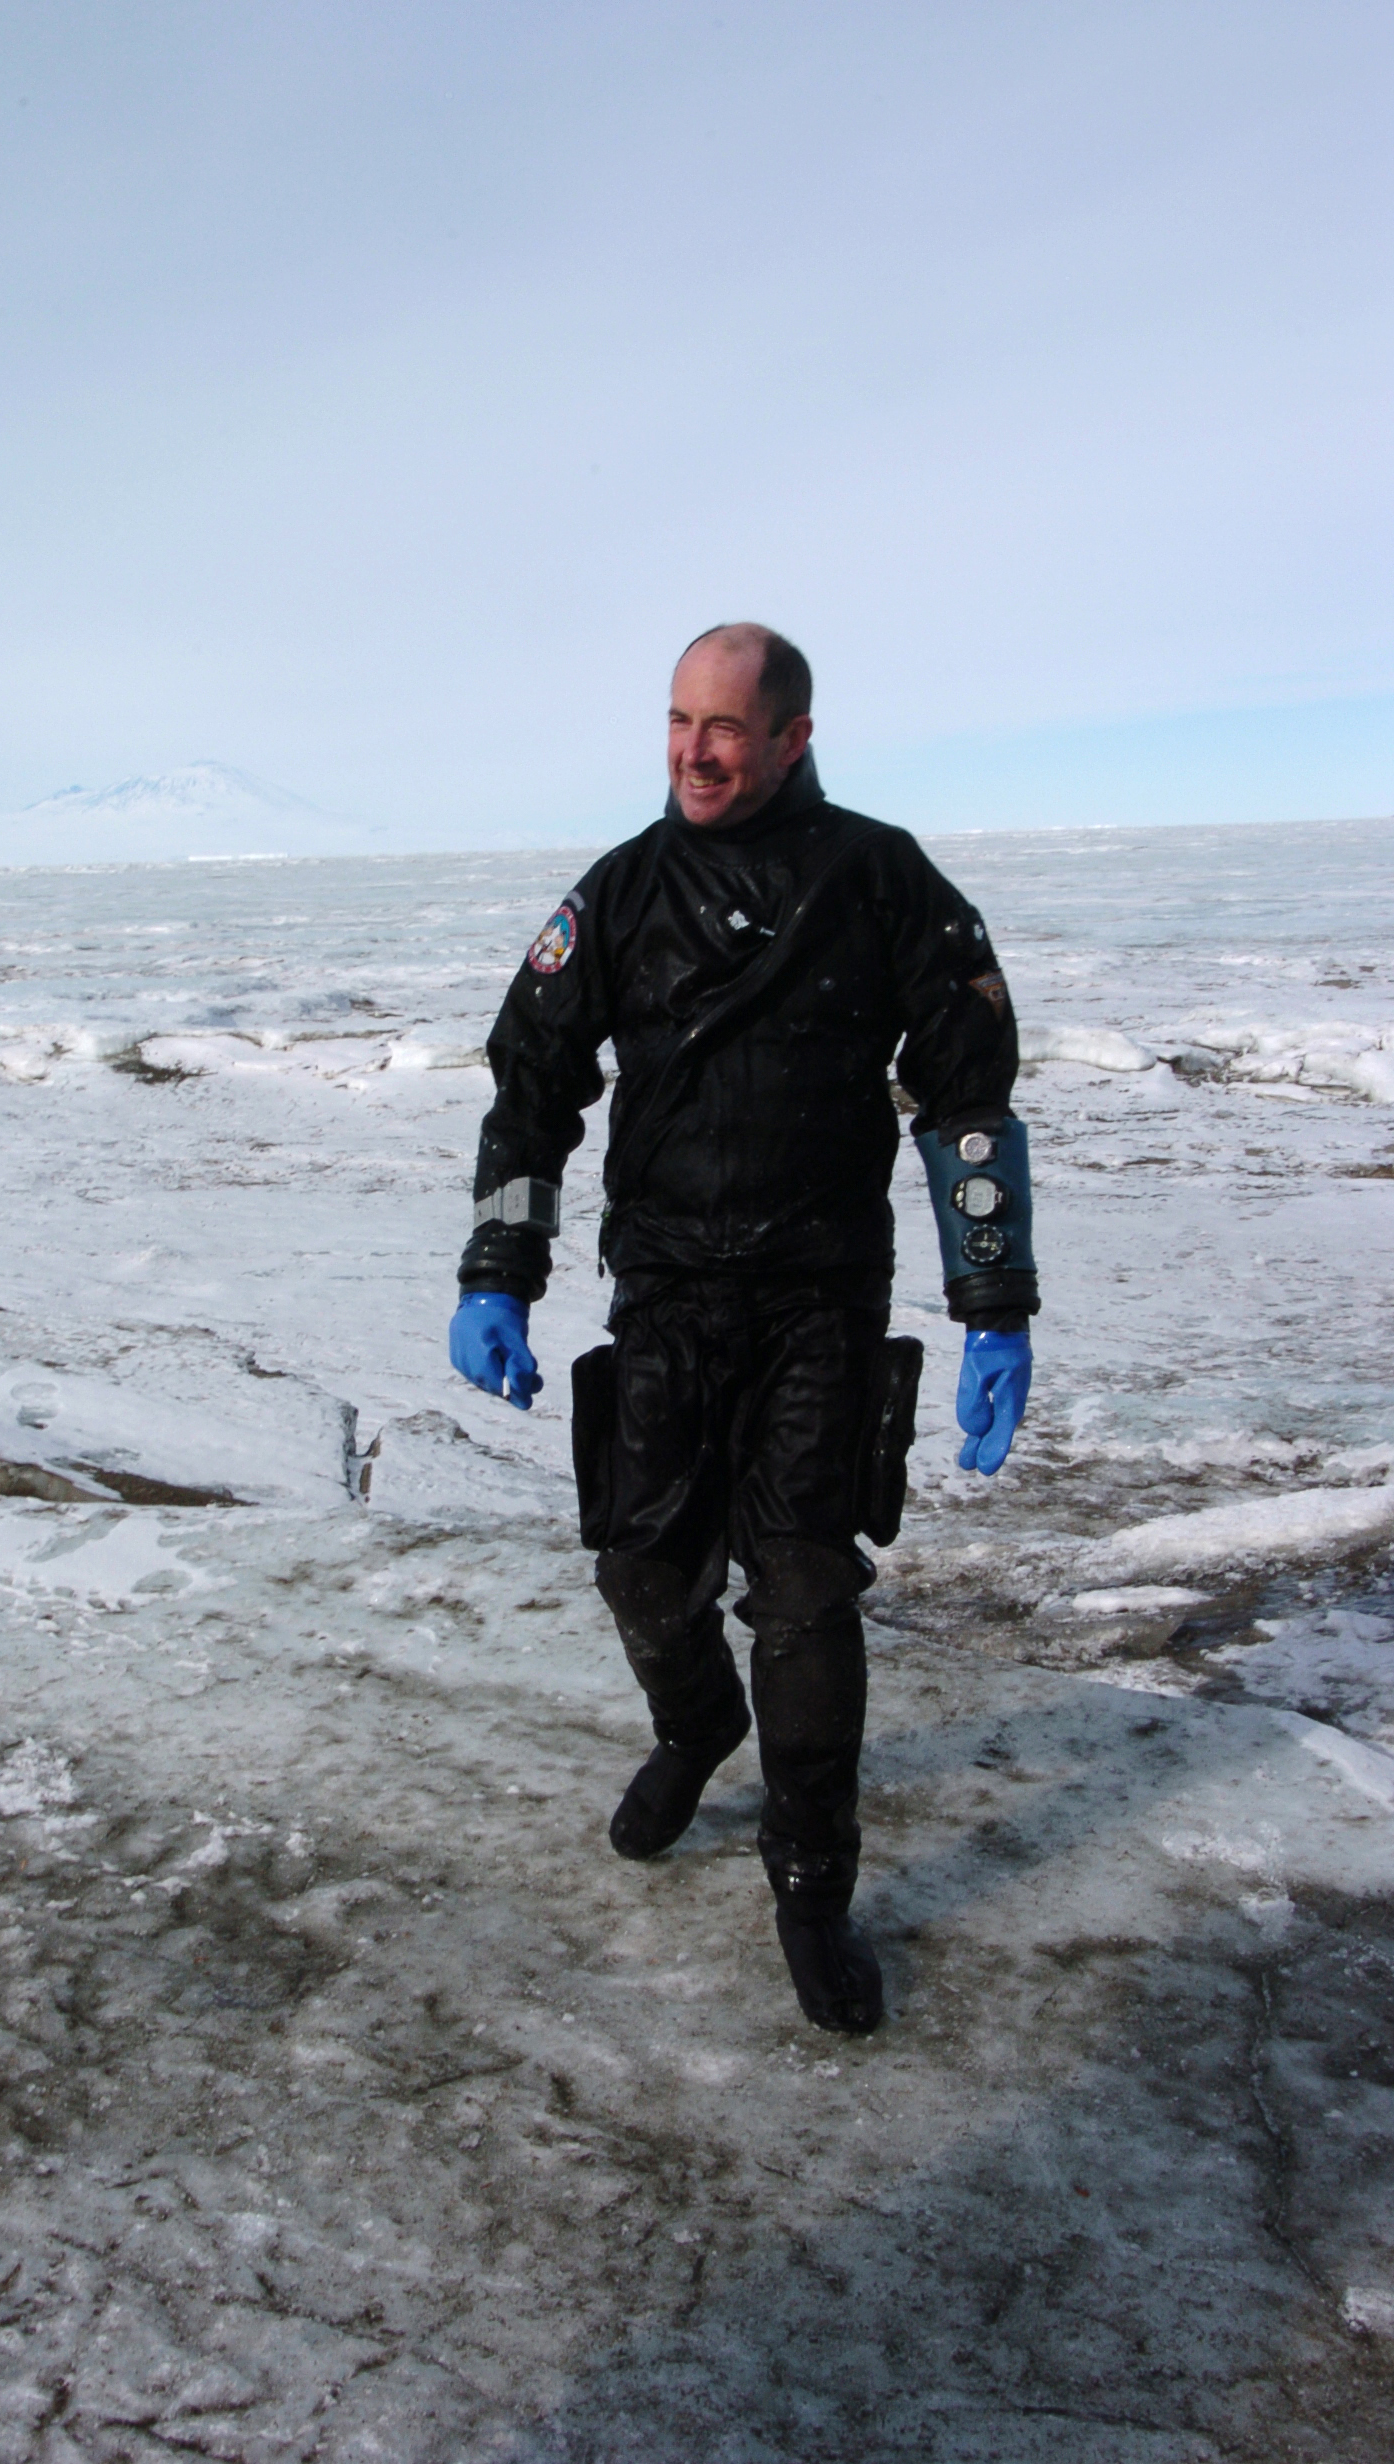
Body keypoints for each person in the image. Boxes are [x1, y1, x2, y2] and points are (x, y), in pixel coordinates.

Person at [448, 624, 1038, 2035]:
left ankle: (811, 1879)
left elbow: (966, 1099)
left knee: (804, 1594)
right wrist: (497, 1270)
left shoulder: (883, 879)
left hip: (819, 1301)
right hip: (663, 1292)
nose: (694, 752)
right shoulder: (624, 891)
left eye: (724, 727)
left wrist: (994, 1304)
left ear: (793, 734)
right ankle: (695, 1726)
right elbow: (532, 1087)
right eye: (676, 722)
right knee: (644, 1574)